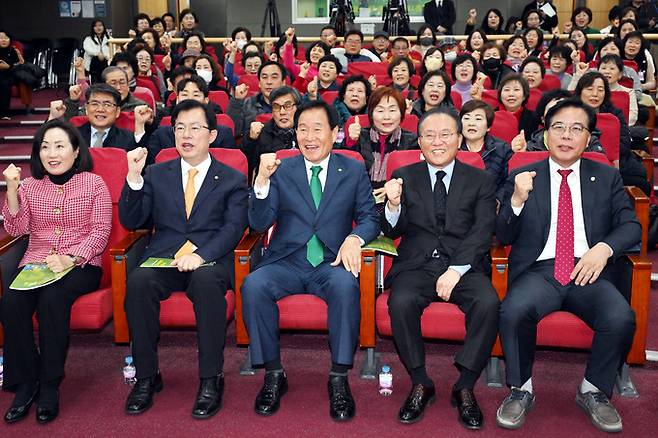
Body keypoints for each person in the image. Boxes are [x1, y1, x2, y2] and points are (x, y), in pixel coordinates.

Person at [495, 98, 639, 433]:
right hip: (539, 270)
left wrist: (603, 248)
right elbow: (500, 232)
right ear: (545, 135)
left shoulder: (606, 176)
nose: (566, 135)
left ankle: (593, 390)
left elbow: (631, 226)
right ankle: (521, 389)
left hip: (588, 270)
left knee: (620, 317)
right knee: (513, 311)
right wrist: (516, 200)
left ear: (588, 139)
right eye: (558, 127)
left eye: (576, 129)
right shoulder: (522, 175)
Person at [241, 99, 380, 421]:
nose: (309, 136)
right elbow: (260, 223)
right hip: (287, 260)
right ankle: (274, 373)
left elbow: (370, 216)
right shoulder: (281, 168)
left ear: (335, 132)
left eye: (318, 128)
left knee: (347, 287)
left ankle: (339, 377)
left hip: (330, 262)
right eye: (302, 129)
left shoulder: (353, 168)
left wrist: (355, 238)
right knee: (253, 285)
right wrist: (260, 182)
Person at [120, 99, 248, 419]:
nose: (186, 135)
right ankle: (147, 376)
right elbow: (133, 218)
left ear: (212, 135)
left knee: (205, 282)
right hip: (164, 256)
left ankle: (210, 378)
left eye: (194, 128)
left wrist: (201, 255)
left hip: (211, 258)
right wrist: (134, 179)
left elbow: (234, 228)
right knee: (137, 282)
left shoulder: (231, 178)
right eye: (179, 128)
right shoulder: (155, 173)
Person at [382, 108, 499, 429]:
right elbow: (392, 231)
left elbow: (483, 229)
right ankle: (421, 381)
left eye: (445, 135)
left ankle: (465, 384)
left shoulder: (481, 179)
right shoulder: (405, 176)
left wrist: (457, 269)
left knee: (488, 303)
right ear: (418, 142)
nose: (437, 142)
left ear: (459, 139)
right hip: (416, 264)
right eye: (429, 136)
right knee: (400, 301)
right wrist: (392, 206)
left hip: (464, 264)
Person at [1, 119, 112, 424]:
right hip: (36, 262)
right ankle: (26, 381)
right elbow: (17, 228)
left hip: (81, 265)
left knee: (53, 298)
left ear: (76, 151)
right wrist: (12, 190)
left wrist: (72, 258)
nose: (52, 153)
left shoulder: (94, 184)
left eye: (60, 146)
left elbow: (101, 231)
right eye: (45, 146)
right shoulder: (31, 186)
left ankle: (50, 384)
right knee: (11, 302)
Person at [147, 76, 236, 163]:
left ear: (206, 101)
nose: (190, 99)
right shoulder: (161, 135)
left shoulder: (223, 134)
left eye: (196, 95)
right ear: (177, 99)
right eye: (185, 94)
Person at [344, 87, 418, 189]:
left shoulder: (412, 141)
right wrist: (351, 141)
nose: (386, 117)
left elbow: (414, 179)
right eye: (380, 111)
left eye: (392, 110)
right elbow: (344, 169)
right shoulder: (360, 137)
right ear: (371, 114)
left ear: (401, 114)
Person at [49, 83, 145, 151]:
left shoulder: (128, 139)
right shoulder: (72, 135)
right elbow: (46, 147)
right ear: (86, 108)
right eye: (95, 104)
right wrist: (52, 117)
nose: (100, 109)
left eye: (107, 104)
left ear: (117, 112)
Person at [459, 99, 513, 201]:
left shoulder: (503, 149)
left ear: (488, 127)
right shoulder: (452, 149)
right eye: (466, 118)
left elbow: (508, 181)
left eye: (478, 119)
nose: (471, 123)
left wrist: (497, 199)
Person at [241, 86, 301, 175]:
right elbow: (246, 167)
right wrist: (251, 140)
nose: (282, 112)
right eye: (276, 107)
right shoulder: (260, 133)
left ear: (298, 108)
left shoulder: (307, 133)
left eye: (288, 106)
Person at [526, 88, 605, 154]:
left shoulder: (590, 140)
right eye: (553, 112)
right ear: (543, 119)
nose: (560, 117)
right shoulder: (533, 146)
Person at [227, 61, 286, 138]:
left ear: (283, 82)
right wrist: (237, 101)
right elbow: (234, 131)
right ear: (259, 83)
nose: (269, 82)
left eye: (274, 77)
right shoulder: (247, 104)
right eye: (264, 77)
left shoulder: (293, 105)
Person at [598, 54, 638, 126]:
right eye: (603, 68)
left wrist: (615, 125)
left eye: (612, 68)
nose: (607, 71)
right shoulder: (592, 91)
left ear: (620, 74)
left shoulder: (628, 92)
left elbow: (632, 117)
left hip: (622, 127)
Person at [497, 74, 537, 143]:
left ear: (524, 95)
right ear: (500, 95)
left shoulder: (534, 118)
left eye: (516, 89)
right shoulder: (490, 116)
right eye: (507, 90)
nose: (511, 94)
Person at [0, 30, 22, 120]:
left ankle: (4, 112)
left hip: (9, 75)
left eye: (6, 38)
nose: (4, 40)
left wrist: (8, 66)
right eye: (1, 38)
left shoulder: (12, 50)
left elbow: (20, 63)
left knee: (4, 84)